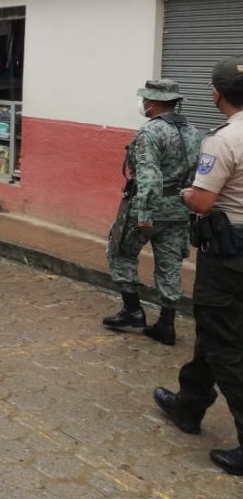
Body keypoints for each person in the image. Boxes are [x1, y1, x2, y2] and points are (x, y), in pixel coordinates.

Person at [154, 57, 243, 477]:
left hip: (229, 254)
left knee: (225, 343)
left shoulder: (224, 140)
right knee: (215, 327)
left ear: (216, 94)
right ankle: (189, 406)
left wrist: (187, 193)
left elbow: (205, 202)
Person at [103, 79, 201, 344]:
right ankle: (166, 324)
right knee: (170, 265)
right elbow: (196, 175)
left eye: (146, 100)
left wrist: (145, 213)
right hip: (179, 210)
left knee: (120, 252)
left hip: (148, 208)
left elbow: (148, 174)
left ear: (155, 102)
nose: (143, 104)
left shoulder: (150, 132)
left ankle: (132, 310)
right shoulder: (193, 132)